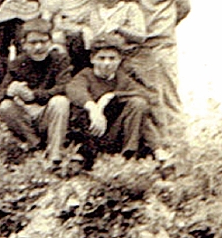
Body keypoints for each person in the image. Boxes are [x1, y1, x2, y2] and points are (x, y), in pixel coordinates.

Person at [132, 0, 190, 130]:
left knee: (169, 95)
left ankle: (179, 143)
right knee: (147, 98)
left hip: (162, 41)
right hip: (139, 43)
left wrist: (165, 26)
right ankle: (157, 146)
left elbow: (183, 5)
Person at [65, 33, 155, 163]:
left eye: (112, 58)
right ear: (92, 59)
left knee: (138, 103)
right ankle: (85, 157)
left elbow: (146, 95)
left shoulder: (121, 78)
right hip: (90, 133)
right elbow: (73, 90)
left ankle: (128, 154)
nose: (107, 63)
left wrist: (112, 96)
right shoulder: (86, 75)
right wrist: (93, 108)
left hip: (113, 132)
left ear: (119, 60)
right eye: (101, 58)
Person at [0, 19, 75, 163]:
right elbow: (0, 93)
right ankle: (36, 145)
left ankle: (55, 154)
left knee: (61, 101)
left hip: (49, 114)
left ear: (51, 42)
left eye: (43, 42)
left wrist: (34, 95)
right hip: (26, 116)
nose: (38, 47)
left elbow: (64, 87)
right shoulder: (18, 63)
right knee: (6, 105)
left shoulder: (60, 60)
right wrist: (10, 90)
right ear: (24, 44)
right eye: (33, 43)